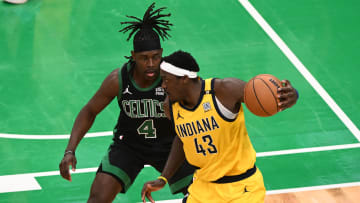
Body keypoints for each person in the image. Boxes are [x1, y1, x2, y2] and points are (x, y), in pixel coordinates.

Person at [59, 4, 194, 203]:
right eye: (144, 58)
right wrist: (70, 150)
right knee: (97, 198)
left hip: (170, 146)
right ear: (133, 56)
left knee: (204, 195)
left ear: (162, 53)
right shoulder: (119, 79)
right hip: (130, 145)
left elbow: (200, 103)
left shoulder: (173, 78)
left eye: (155, 57)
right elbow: (89, 111)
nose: (150, 64)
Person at [141, 50, 298, 203]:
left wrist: (292, 96)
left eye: (166, 80)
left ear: (184, 78)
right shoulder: (170, 106)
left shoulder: (224, 90)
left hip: (242, 188)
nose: (162, 86)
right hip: (204, 188)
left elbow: (269, 95)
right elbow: (182, 139)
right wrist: (164, 178)